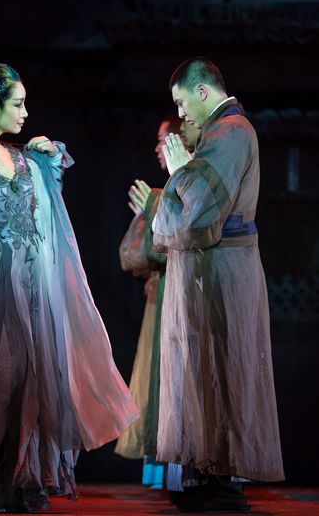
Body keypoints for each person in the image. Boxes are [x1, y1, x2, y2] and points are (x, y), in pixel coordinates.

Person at [0, 63, 138, 513]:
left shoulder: (21, 157)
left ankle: (14, 476)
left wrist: (48, 165)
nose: (25, 112)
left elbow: (47, 212)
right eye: (17, 104)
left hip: (31, 280)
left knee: (27, 381)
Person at [152, 57, 285, 512]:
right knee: (204, 370)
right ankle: (206, 474)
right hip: (212, 267)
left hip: (224, 267)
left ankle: (224, 481)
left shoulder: (230, 133)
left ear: (203, 92)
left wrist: (179, 172)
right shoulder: (218, 133)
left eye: (181, 102)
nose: (181, 113)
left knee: (225, 369)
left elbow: (202, 210)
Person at [115, 117, 199, 491]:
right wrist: (144, 215)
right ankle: (163, 469)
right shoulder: (163, 194)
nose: (157, 148)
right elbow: (133, 255)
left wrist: (151, 212)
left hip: (183, 295)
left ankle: (182, 469)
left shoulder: (180, 192)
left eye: (163, 140)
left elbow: (166, 245)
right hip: (161, 294)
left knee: (176, 377)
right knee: (157, 378)